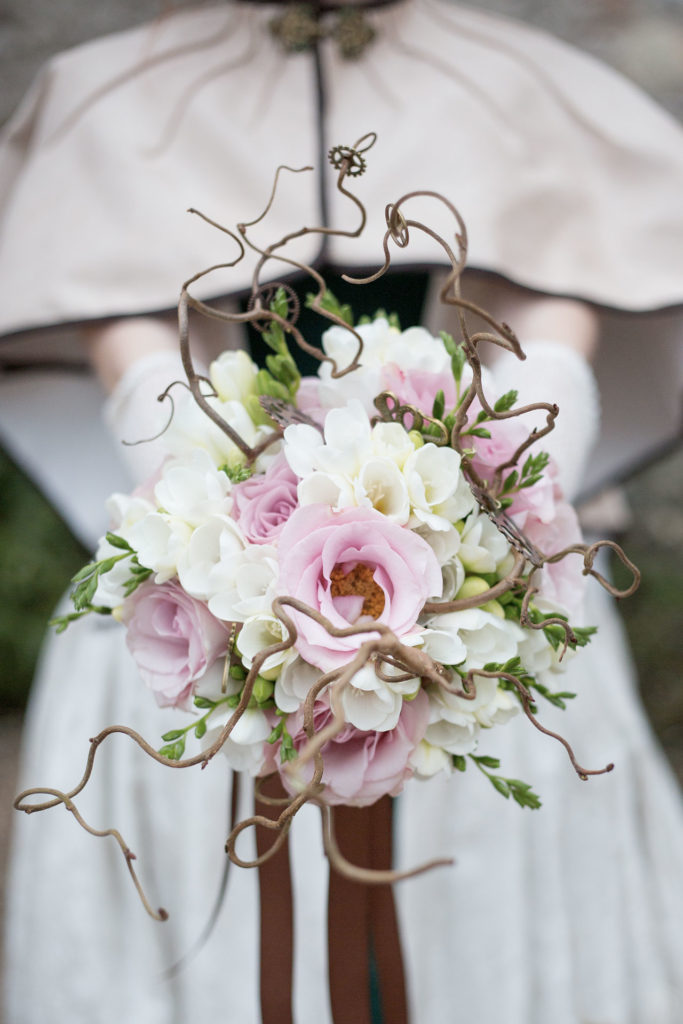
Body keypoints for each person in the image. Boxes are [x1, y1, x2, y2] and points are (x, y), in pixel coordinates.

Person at [2, 2, 683, 1021]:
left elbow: (558, 290)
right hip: (198, 612)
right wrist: (203, 488)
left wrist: (511, 479)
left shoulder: (519, 87)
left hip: (487, 607)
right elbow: (121, 321)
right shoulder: (109, 103)